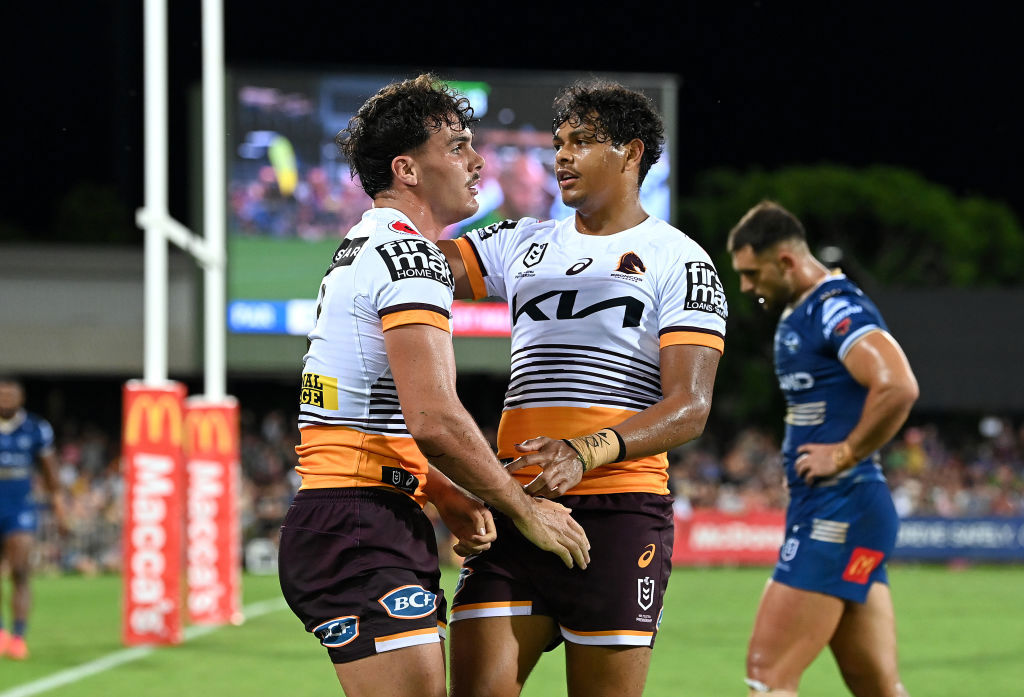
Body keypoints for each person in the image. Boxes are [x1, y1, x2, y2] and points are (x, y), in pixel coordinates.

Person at [276, 74, 590, 697]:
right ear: (407, 169)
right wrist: (524, 509)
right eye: (456, 146)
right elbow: (434, 419)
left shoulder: (365, 245)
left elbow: (371, 408)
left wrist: (442, 491)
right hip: (360, 521)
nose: (477, 161)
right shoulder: (412, 257)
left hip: (358, 513)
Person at [439, 79, 727, 697]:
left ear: (632, 153)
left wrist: (583, 452)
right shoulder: (521, 241)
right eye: (559, 143)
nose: (562, 156)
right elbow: (411, 266)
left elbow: (690, 406)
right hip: (519, 508)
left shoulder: (680, 260)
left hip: (620, 514)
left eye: (583, 142)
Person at [726, 200, 918, 697]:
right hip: (847, 513)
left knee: (768, 676)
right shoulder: (805, 310)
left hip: (838, 512)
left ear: (786, 261)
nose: (745, 286)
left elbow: (897, 386)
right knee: (876, 686)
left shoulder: (835, 307)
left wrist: (845, 453)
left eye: (751, 273)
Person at [0, 377, 68, 660]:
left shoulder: (36, 428)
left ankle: (18, 636)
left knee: (20, 570)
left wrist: (59, 506)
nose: (5, 399)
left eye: (10, 395)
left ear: (21, 398)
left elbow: (50, 470)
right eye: (1, 395)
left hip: (20, 508)